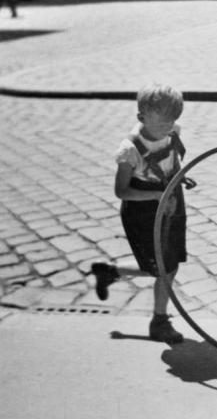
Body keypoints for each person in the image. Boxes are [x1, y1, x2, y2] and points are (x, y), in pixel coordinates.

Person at [91, 84, 194, 344]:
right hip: (144, 210)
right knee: (163, 267)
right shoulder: (130, 150)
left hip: (170, 202)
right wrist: (155, 195)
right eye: (160, 124)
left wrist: (180, 177)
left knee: (168, 266)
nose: (167, 128)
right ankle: (159, 322)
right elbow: (121, 191)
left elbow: (171, 160)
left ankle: (111, 272)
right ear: (142, 118)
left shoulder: (172, 132)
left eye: (171, 122)